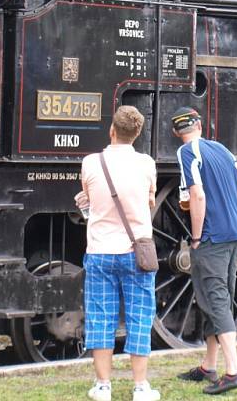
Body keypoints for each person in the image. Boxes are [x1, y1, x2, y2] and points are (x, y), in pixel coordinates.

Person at [76, 106, 160, 401]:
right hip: (136, 250)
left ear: (112, 130)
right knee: (139, 316)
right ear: (136, 135)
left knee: (100, 317)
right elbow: (150, 201)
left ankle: (102, 386)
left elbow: (89, 198)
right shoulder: (146, 163)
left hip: (99, 251)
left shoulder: (90, 162)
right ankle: (139, 387)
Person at [171, 107, 237, 395]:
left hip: (211, 237)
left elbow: (198, 194)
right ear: (201, 126)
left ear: (175, 132)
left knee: (215, 299)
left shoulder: (186, 152)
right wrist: (223, 197)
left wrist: (195, 237)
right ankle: (209, 365)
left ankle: (233, 371)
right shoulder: (222, 149)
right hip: (234, 234)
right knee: (215, 298)